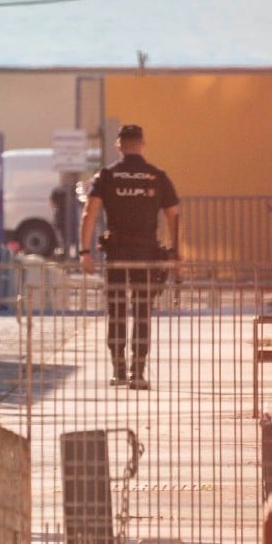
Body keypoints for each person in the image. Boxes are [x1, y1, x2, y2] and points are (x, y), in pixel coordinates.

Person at [80, 124, 179, 391]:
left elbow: (89, 212)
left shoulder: (108, 175)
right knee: (143, 311)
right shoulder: (156, 176)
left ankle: (119, 369)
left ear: (119, 145)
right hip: (147, 255)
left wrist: (84, 251)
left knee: (116, 311)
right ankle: (139, 371)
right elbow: (173, 214)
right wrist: (174, 252)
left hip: (116, 255)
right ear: (142, 144)